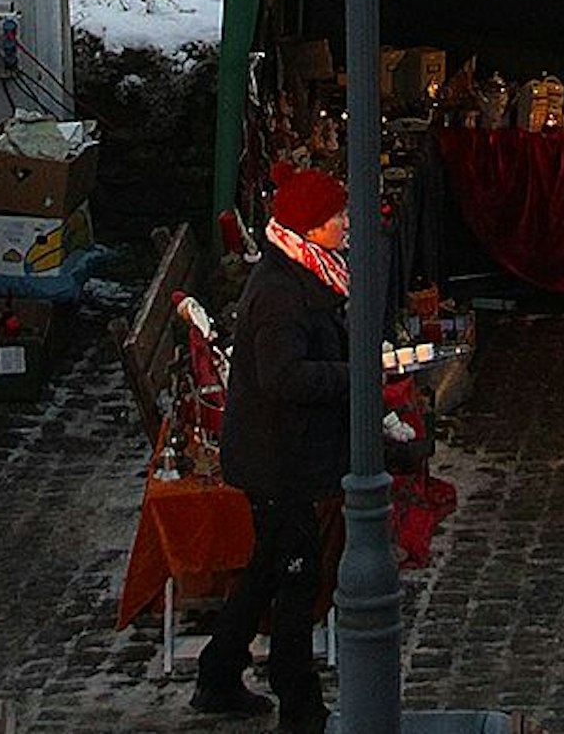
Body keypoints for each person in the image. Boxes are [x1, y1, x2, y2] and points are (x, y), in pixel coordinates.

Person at [192, 165, 351, 734]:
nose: (346, 223)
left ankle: (217, 674)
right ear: (309, 226)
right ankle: (298, 701)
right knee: (296, 575)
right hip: (279, 459)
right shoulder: (282, 293)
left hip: (281, 453)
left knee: (268, 567)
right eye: (336, 216)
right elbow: (282, 377)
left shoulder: (304, 273)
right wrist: (352, 375)